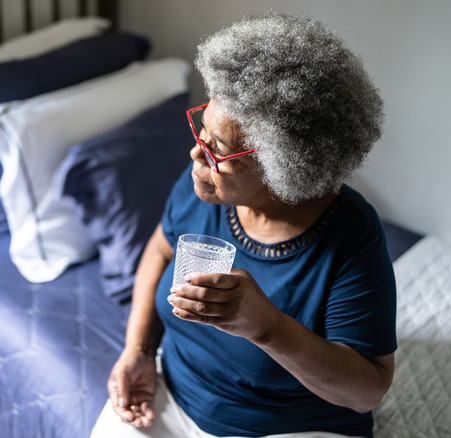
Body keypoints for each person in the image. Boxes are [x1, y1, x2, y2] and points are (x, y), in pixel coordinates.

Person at [91, 12, 393, 438]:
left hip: (285, 427)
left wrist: (266, 326)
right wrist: (138, 350)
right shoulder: (202, 185)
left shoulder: (352, 234)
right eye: (203, 131)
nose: (198, 154)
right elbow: (160, 250)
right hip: (171, 395)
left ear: (282, 169)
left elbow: (366, 392)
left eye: (219, 149)